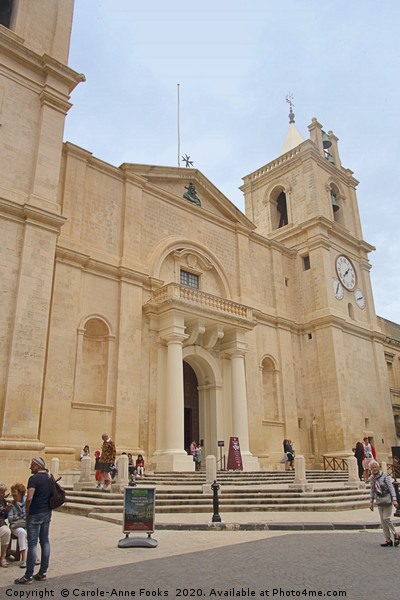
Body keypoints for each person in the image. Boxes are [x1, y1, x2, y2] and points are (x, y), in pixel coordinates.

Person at [14, 457, 52, 585]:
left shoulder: (34, 479)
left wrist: (27, 511)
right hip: (47, 512)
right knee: (45, 541)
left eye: (32, 465)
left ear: (37, 465)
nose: (30, 467)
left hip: (35, 513)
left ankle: (28, 575)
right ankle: (43, 572)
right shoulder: (49, 476)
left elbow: (29, 498)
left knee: (32, 543)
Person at [369, 460, 399, 547]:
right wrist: (371, 502)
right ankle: (388, 539)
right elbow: (372, 490)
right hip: (379, 500)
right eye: (372, 468)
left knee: (386, 518)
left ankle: (395, 534)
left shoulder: (385, 476)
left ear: (378, 467)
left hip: (387, 499)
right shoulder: (372, 478)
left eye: (375, 467)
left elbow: (391, 488)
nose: (374, 469)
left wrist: (394, 499)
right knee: (383, 521)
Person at [8, 483, 27, 568]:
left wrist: (17, 516)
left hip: (25, 524)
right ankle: (23, 558)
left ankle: (34, 556)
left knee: (32, 532)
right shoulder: (11, 504)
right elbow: (10, 518)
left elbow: (27, 514)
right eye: (12, 492)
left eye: (14, 492)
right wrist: (19, 517)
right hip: (15, 526)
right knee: (22, 532)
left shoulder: (26, 501)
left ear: (20, 492)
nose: (13, 494)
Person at [0, 483, 11, 568]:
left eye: (4, 493)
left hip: (1, 524)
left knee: (6, 532)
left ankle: (2, 557)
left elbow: (5, 517)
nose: (3, 495)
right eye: (2, 493)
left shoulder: (3, 501)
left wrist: (6, 511)